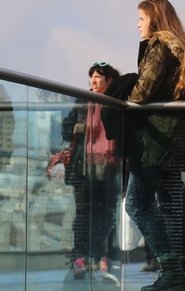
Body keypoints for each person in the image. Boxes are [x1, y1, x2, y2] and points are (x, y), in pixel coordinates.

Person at [124, 0, 185, 291]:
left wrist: (126, 92)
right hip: (174, 141)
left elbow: (142, 92)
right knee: (170, 207)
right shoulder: (180, 48)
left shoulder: (160, 47)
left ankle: (171, 269)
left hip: (156, 139)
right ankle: (175, 275)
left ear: (154, 18)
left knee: (137, 205)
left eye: (141, 18)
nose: (138, 24)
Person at [61, 62, 121, 282]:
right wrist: (79, 127)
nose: (93, 81)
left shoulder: (115, 104)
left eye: (98, 77)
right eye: (91, 77)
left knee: (107, 215)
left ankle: (104, 257)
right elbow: (66, 130)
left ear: (109, 81)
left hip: (110, 167)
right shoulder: (81, 101)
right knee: (83, 215)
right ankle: (80, 258)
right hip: (83, 168)